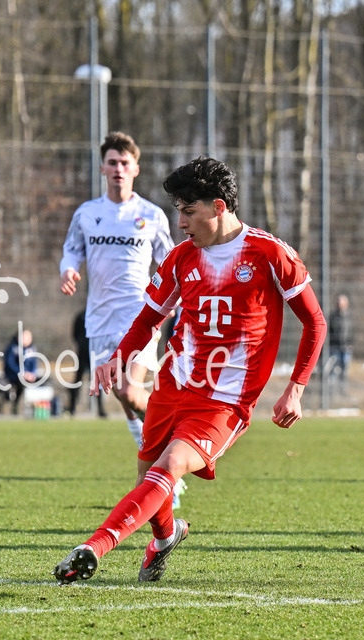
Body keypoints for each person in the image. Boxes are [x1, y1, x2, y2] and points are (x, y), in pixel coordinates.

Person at [54, 157, 326, 585]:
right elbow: (148, 319)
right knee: (149, 475)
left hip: (224, 400)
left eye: (187, 211)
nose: (179, 222)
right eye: (177, 210)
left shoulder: (269, 253)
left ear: (219, 207)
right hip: (173, 384)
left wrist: (296, 388)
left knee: (169, 466)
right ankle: (165, 539)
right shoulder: (182, 258)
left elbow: (315, 322)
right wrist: (116, 358)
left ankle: (94, 546)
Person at [59, 132, 174, 451]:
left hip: (140, 317)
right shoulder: (86, 213)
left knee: (128, 392)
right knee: (125, 402)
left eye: (125, 163)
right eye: (112, 162)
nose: (118, 169)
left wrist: (172, 301)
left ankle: (174, 447)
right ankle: (163, 461)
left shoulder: (151, 215)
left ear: (136, 168)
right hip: (99, 321)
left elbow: (170, 262)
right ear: (102, 169)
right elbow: (71, 250)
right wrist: (68, 270)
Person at [67, 308, 105, 417]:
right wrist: (81, 344)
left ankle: (100, 409)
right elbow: (74, 333)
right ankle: (72, 407)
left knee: (97, 380)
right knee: (77, 381)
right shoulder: (81, 316)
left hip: (94, 352)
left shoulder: (98, 316)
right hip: (82, 352)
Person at [3, 328, 42, 414]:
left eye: (28, 337)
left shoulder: (32, 349)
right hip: (14, 377)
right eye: (23, 337)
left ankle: (41, 406)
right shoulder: (12, 348)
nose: (26, 339)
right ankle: (16, 406)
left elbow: (34, 364)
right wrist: (22, 373)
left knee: (46, 381)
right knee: (21, 384)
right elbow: (10, 364)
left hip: (29, 377)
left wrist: (32, 374)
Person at [326, 294, 353, 395]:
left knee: (344, 371)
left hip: (346, 348)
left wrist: (350, 344)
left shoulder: (349, 317)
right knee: (333, 370)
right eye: (338, 303)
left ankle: (343, 392)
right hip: (334, 347)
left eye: (342, 302)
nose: (340, 304)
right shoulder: (333, 316)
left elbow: (351, 332)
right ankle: (330, 393)